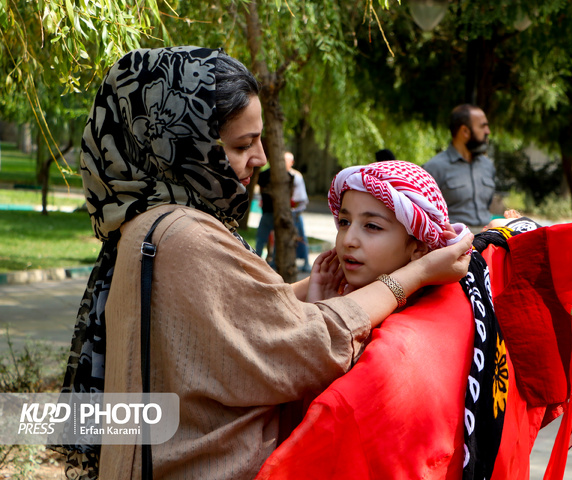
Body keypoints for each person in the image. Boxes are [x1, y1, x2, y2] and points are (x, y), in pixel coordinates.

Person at [58, 47, 472, 480]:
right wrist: (417, 275)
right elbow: (311, 345)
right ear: (179, 144)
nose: (261, 158)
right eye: (242, 144)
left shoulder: (148, 223)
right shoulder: (185, 235)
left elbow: (229, 314)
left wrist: (305, 295)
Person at [257, 161, 572, 480]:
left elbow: (334, 429)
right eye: (345, 222)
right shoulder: (387, 299)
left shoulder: (408, 340)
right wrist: (320, 308)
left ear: (419, 248)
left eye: (372, 226)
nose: (349, 240)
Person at [423, 104, 496, 231]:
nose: (487, 131)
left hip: (487, 240)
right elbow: (423, 215)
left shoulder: (488, 166)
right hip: (452, 244)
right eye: (483, 126)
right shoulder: (434, 168)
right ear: (465, 131)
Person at [255, 162, 293, 266]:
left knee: (261, 238)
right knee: (277, 239)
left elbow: (261, 191)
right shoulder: (286, 175)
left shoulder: (264, 175)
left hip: (268, 211)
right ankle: (274, 262)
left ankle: (257, 260)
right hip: (279, 213)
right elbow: (291, 192)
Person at [286, 151, 311, 272]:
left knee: (300, 237)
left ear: (292, 162)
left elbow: (300, 198)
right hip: (287, 211)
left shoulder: (296, 176)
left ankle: (306, 262)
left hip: (295, 211)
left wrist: (292, 205)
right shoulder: (281, 174)